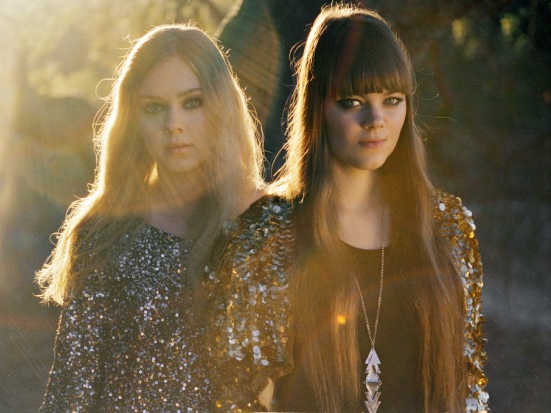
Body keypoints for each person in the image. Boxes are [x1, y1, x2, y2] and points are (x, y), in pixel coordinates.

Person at [207, 5, 488, 412]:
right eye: (353, 101)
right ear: (318, 107)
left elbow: (470, 383)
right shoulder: (265, 236)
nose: (376, 120)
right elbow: (236, 394)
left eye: (392, 100)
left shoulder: (447, 227)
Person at [36, 23, 264, 412]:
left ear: (222, 105)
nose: (173, 123)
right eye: (154, 107)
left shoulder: (267, 222)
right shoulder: (104, 231)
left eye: (192, 101)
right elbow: (71, 392)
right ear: (133, 119)